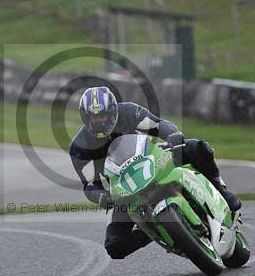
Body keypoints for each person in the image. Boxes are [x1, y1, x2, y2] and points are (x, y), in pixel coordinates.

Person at [69, 86, 242, 260]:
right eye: (94, 117)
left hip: (154, 160)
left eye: (103, 115)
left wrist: (173, 135)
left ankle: (220, 189)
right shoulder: (79, 147)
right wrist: (100, 197)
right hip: (125, 188)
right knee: (115, 245)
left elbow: (159, 125)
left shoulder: (129, 112)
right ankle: (154, 231)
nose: (99, 121)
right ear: (85, 117)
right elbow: (90, 185)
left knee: (196, 147)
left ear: (113, 111)